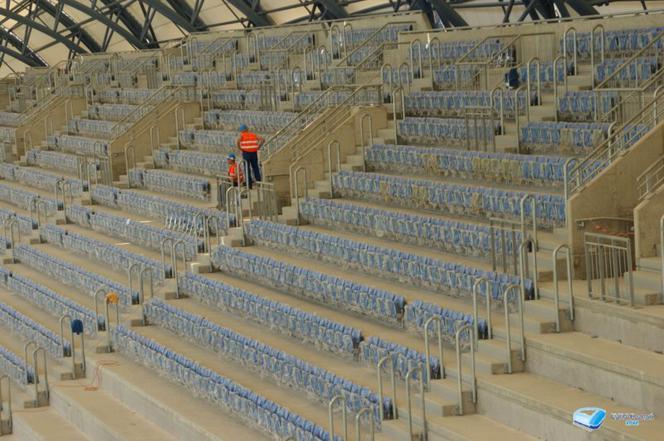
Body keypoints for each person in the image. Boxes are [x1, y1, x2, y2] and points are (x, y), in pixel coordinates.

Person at [236, 124, 264, 188]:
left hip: (246, 153)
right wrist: (259, 146)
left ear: (241, 130)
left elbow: (237, 142)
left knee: (247, 169)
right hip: (254, 152)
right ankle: (259, 182)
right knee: (255, 167)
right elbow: (262, 139)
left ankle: (249, 185)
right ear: (247, 129)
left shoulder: (241, 135)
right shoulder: (253, 135)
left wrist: (240, 148)